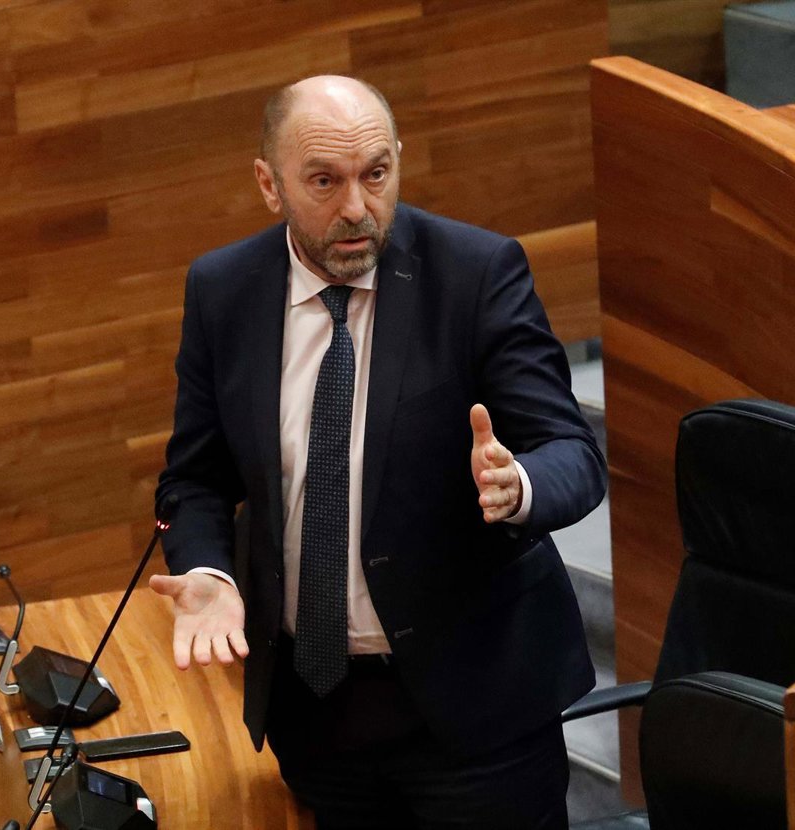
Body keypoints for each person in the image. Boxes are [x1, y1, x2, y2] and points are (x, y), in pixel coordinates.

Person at [151, 75, 606, 829]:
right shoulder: (223, 290)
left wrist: (519, 484)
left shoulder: (477, 273)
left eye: (376, 174)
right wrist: (206, 570)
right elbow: (195, 478)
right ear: (269, 184)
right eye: (324, 182)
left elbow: (573, 451)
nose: (357, 208)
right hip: (316, 713)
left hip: (476, 712)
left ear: (398, 159)